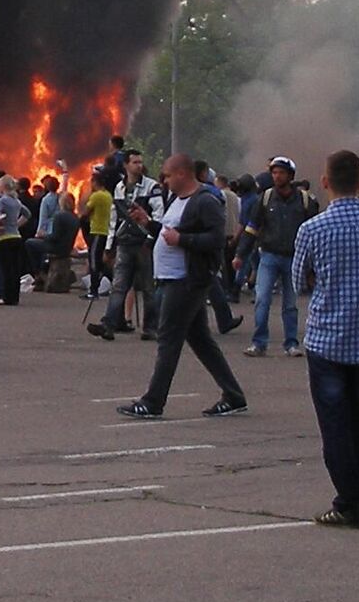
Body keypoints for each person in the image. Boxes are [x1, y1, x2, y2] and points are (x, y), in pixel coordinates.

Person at [292, 149, 359, 527]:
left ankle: (347, 502)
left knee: (335, 424)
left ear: (324, 182)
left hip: (327, 340)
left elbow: (296, 279)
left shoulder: (312, 229)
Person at [117, 154, 247, 420]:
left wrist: (182, 239)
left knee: (168, 338)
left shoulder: (205, 201)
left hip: (187, 280)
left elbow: (215, 239)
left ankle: (153, 401)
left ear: (182, 174)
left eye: (166, 175)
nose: (163, 180)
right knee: (200, 340)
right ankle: (233, 396)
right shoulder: (178, 200)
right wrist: (147, 223)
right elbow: (168, 231)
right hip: (172, 278)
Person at [243, 156, 314, 358]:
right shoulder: (265, 199)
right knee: (262, 299)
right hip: (268, 256)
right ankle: (259, 343)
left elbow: (314, 231)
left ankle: (291, 344)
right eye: (274, 172)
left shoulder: (305, 200)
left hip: (294, 258)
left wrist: (312, 265)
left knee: (290, 304)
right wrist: (240, 254)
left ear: (290, 176)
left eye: (281, 172)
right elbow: (252, 227)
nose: (277, 176)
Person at [91, 149, 161, 341]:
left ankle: (150, 327)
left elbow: (158, 215)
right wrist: (109, 246)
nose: (139, 165)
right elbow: (114, 220)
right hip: (125, 243)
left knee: (148, 287)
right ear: (126, 165)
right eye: (135, 162)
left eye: (140, 162)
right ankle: (109, 325)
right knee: (119, 286)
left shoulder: (152, 187)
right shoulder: (119, 188)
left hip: (144, 244)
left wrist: (150, 239)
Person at [0, 177, 32, 306]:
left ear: (2, 186)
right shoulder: (16, 201)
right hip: (16, 237)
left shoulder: (1, 201)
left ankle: (6, 297)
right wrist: (16, 225)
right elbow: (27, 214)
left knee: (6, 269)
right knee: (14, 269)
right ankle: (14, 297)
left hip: (4, 238)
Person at [82, 166, 112, 300]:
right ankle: (102, 284)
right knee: (100, 260)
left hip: (96, 231)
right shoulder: (108, 195)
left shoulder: (96, 196)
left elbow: (86, 212)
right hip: (105, 231)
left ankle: (93, 291)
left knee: (94, 260)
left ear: (95, 183)